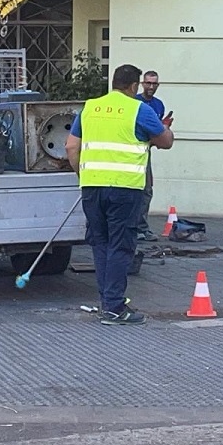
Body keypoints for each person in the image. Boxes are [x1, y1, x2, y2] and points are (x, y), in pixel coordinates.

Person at [66, 64, 174, 325]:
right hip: (125, 188)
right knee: (120, 245)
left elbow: (71, 146)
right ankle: (114, 308)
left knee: (100, 243)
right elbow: (166, 141)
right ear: (134, 86)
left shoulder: (90, 107)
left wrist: (84, 175)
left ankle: (108, 302)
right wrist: (161, 128)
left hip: (92, 187)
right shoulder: (139, 109)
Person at [134, 70, 172, 242]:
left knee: (146, 190)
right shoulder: (135, 102)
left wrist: (164, 127)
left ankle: (142, 227)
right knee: (133, 191)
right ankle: (132, 228)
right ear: (142, 84)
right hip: (132, 150)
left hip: (146, 151)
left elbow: (157, 135)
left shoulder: (158, 105)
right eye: (148, 83)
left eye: (154, 83)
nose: (151, 87)